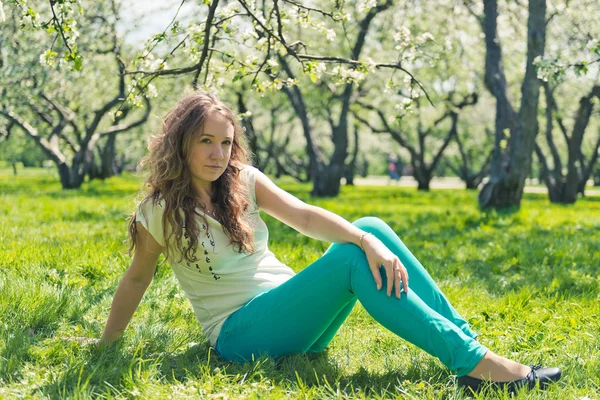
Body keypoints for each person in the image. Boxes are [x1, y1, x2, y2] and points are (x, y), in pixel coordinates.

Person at [100, 92, 561, 394]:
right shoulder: (159, 210)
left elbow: (304, 216)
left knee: (371, 226)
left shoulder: (243, 180)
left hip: (298, 323)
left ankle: (467, 345)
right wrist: (107, 344)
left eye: (226, 142)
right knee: (348, 259)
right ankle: (477, 364)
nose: (218, 154)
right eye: (205, 141)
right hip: (239, 336)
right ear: (180, 143)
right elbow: (138, 276)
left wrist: (365, 238)